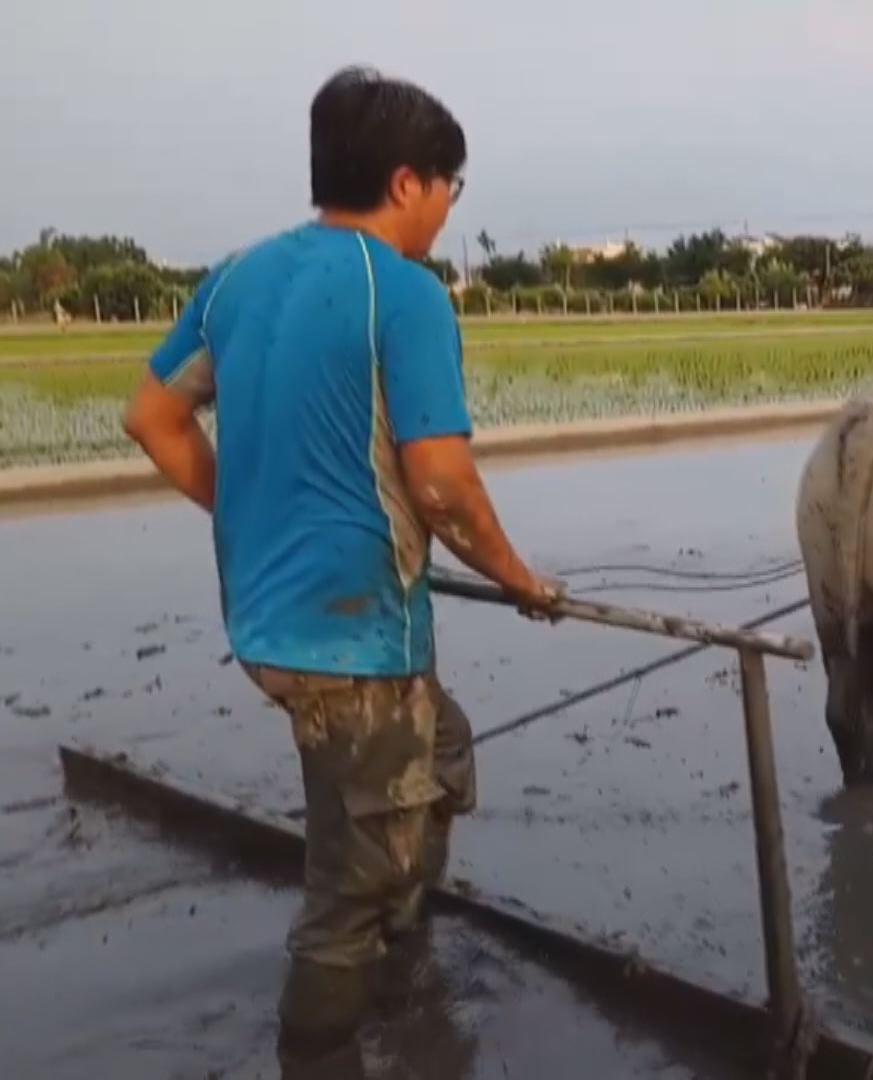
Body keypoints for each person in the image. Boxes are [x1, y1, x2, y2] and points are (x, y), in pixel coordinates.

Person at [122, 64, 561, 1067]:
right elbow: (442, 486)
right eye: (452, 186)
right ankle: (321, 1045)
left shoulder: (238, 275)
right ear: (409, 183)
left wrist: (246, 508)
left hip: (272, 622)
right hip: (352, 635)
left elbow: (152, 416)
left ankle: (405, 941)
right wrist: (521, 582)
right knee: (350, 879)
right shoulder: (403, 294)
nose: (451, 209)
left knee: (440, 752)